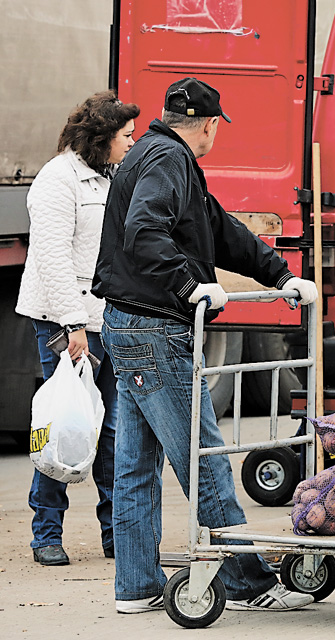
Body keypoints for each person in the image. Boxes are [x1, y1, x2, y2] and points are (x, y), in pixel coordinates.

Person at [91, 77, 318, 614]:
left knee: (136, 465)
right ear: (212, 125)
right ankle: (246, 582)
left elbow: (220, 230)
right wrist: (189, 285)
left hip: (128, 325)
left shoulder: (158, 155)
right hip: (154, 329)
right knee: (205, 457)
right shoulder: (167, 161)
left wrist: (280, 275)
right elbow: (144, 232)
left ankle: (137, 586)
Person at [16, 91, 140, 566]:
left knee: (112, 428)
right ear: (101, 137)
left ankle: (116, 534)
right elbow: (51, 259)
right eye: (125, 136)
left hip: (106, 317)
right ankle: (46, 533)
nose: (131, 142)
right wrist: (73, 325)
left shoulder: (112, 177)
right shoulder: (56, 179)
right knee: (64, 424)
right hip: (63, 320)